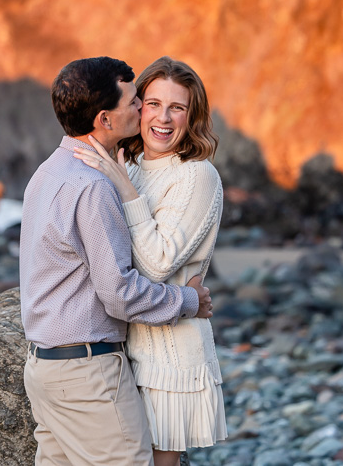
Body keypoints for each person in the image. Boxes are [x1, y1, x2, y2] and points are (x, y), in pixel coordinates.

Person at [19, 56, 213, 466]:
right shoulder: (93, 185)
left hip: (43, 367)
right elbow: (119, 293)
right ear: (105, 119)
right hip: (86, 374)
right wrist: (189, 300)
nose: (143, 109)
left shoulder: (48, 172)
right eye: (136, 101)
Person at [73, 56, 227, 466]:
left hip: (169, 360)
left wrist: (124, 188)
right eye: (154, 103)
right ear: (137, 106)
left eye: (177, 107)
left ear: (192, 116)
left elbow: (157, 265)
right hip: (123, 352)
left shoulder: (197, 175)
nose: (163, 118)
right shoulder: (131, 164)